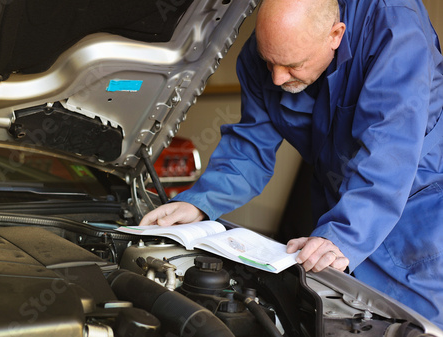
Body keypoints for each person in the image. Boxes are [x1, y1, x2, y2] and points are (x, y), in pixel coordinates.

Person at [140, 0, 443, 329]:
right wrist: (198, 202)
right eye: (270, 62)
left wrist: (342, 234)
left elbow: (390, 149)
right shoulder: (264, 56)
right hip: (341, 209)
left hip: (419, 218)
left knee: (417, 328)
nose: (277, 78)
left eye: (292, 65)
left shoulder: (394, 30)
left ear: (335, 35)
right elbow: (251, 145)